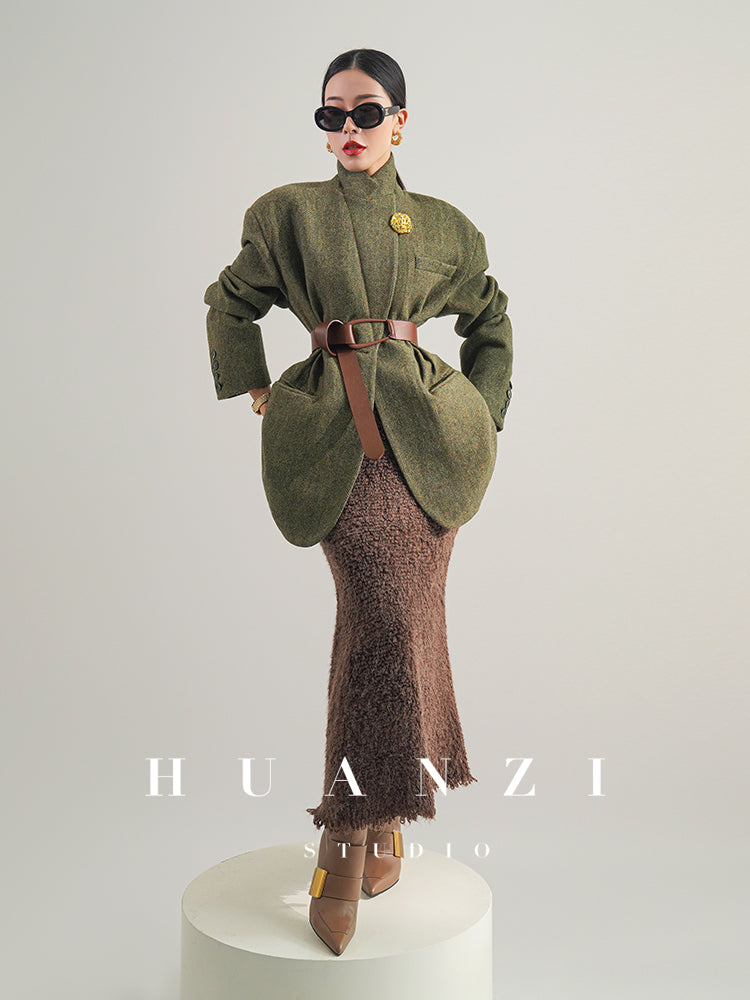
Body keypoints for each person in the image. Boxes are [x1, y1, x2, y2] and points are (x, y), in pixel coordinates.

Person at [203, 47, 513, 956]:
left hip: (431, 450)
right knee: (380, 613)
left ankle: (373, 829)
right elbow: (228, 303)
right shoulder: (287, 215)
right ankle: (352, 827)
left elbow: (491, 319)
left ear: (400, 122)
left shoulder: (446, 228)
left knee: (406, 619)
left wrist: (483, 413)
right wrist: (257, 388)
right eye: (331, 113)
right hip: (336, 442)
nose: (348, 128)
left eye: (367, 112)